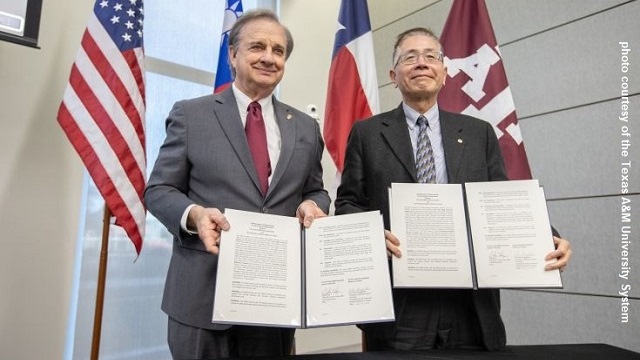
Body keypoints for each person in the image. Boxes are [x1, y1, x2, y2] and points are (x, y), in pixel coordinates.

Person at [334, 27, 572, 351]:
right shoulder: (367, 133)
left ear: (444, 73)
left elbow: (502, 200)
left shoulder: (479, 133)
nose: (422, 63)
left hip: (470, 302)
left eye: (431, 56)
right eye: (410, 57)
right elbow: (348, 202)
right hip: (400, 303)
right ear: (393, 74)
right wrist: (371, 232)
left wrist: (547, 237)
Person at [144, 9, 330, 359]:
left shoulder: (305, 127)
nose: (269, 58)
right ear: (232, 54)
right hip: (202, 298)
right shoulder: (191, 114)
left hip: (273, 300)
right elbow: (159, 190)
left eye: (278, 51)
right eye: (257, 47)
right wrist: (194, 214)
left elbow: (314, 189)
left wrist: (314, 205)